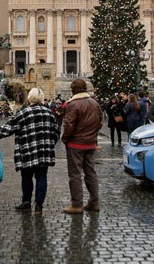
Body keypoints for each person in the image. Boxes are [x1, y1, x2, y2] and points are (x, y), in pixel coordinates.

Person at [0, 88, 60, 213]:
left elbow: (9, 127)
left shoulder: (24, 113)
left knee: (26, 176)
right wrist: (49, 143)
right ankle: (39, 205)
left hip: (27, 150)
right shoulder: (49, 113)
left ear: (29, 98)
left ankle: (26, 202)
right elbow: (57, 131)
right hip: (44, 151)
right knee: (41, 176)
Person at [61, 79, 103, 214]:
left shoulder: (73, 104)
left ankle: (77, 204)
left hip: (76, 144)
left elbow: (69, 125)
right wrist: (93, 137)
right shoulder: (94, 103)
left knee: (75, 175)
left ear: (73, 90)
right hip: (90, 143)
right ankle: (94, 202)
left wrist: (65, 139)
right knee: (91, 173)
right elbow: (100, 122)